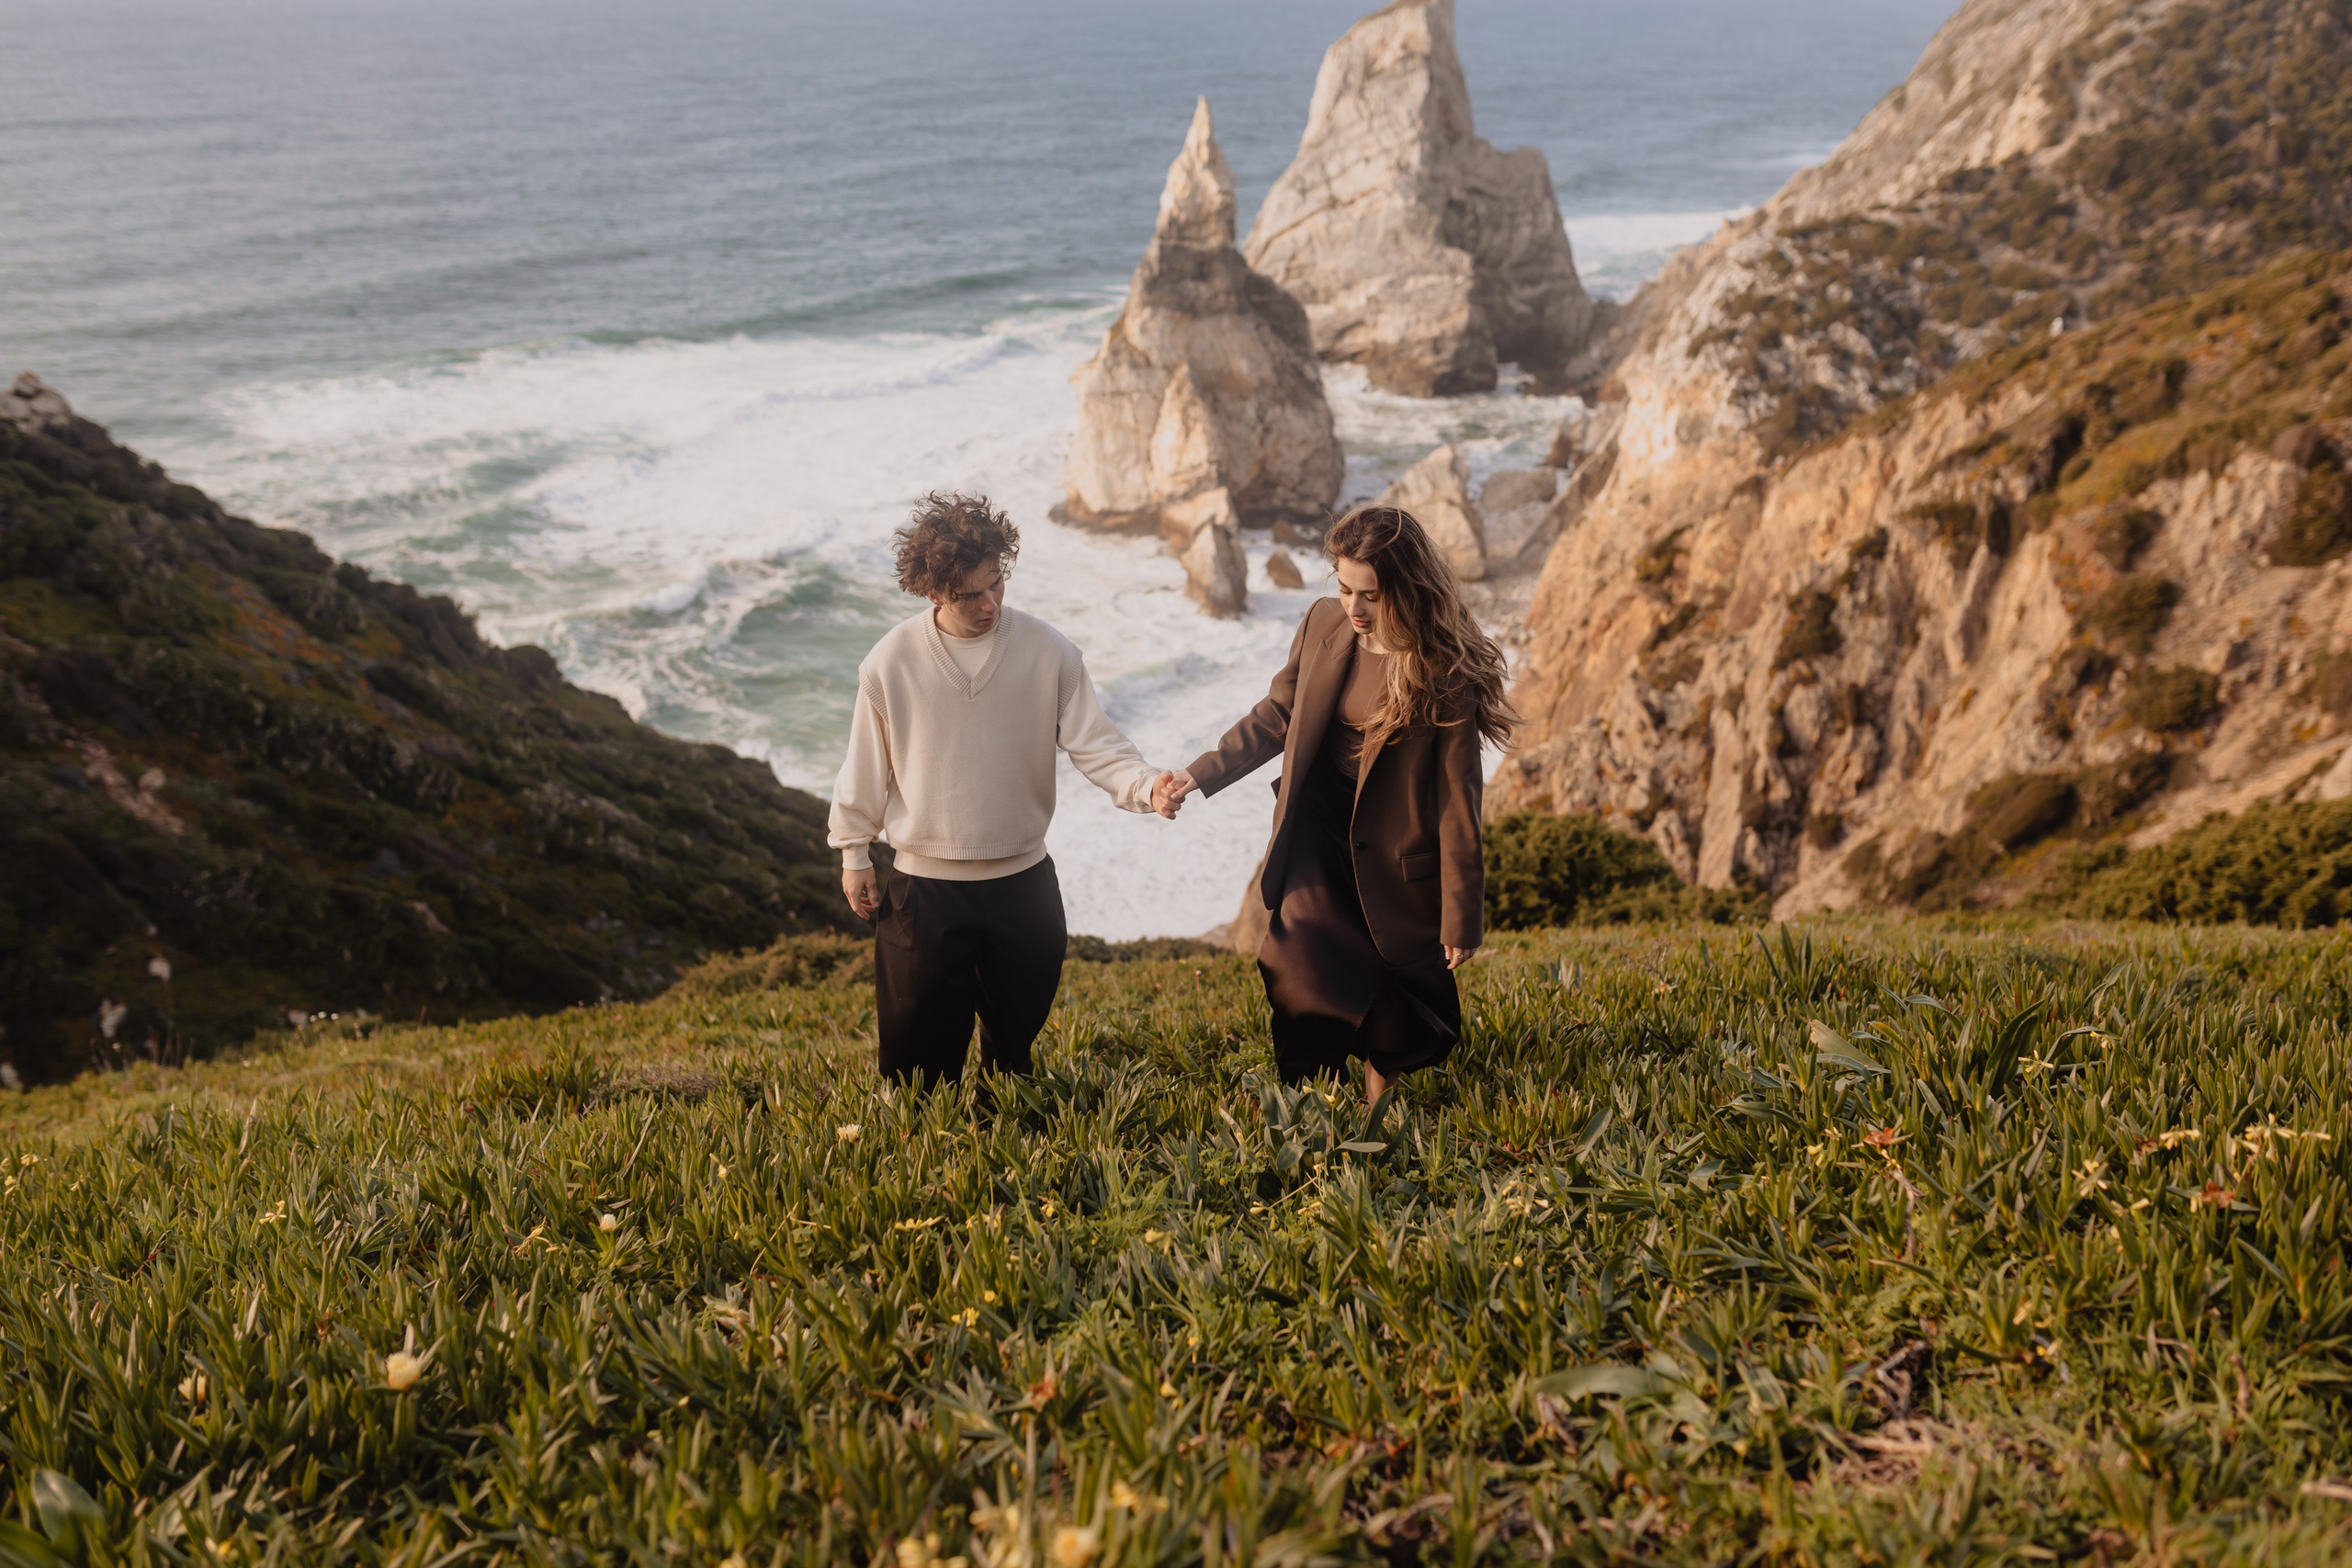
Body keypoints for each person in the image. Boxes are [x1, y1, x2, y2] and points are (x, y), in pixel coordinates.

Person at [1155, 506, 1514, 1106]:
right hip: (1318, 830)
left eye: (1370, 594)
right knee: (1296, 963)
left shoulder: (1442, 672)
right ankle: (1306, 1100)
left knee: (1392, 988)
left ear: (1405, 588)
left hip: (1393, 847)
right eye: (1346, 588)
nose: (1355, 607)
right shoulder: (1322, 624)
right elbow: (1277, 714)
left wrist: (1462, 914)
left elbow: (1459, 800)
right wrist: (1198, 773)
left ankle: (1380, 1106)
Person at [831, 492, 1172, 1089]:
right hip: (924, 896)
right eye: (969, 594)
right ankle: (927, 1174)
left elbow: (1097, 744)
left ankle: (1004, 1169)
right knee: (916, 1072)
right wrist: (854, 851)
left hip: (1024, 890)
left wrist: (1147, 787)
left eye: (997, 584)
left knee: (1011, 1063)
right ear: (933, 590)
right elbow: (865, 766)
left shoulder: (1050, 651)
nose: (989, 603)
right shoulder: (889, 662)